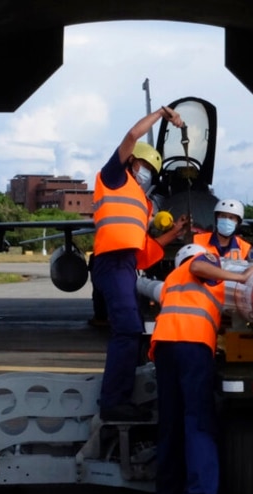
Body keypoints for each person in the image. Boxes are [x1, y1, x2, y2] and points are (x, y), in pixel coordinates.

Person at [151, 243, 253, 494]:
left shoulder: (174, 280)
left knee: (170, 426)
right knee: (199, 423)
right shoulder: (201, 263)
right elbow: (201, 266)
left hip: (165, 347)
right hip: (192, 346)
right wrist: (242, 276)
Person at [92, 106, 189, 422]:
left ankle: (119, 396)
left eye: (152, 170)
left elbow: (144, 251)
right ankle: (112, 403)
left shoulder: (142, 203)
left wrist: (174, 233)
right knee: (128, 330)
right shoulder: (114, 178)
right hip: (110, 262)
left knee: (131, 331)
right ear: (131, 161)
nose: (147, 172)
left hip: (124, 265)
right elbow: (133, 135)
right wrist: (163, 113)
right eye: (144, 165)